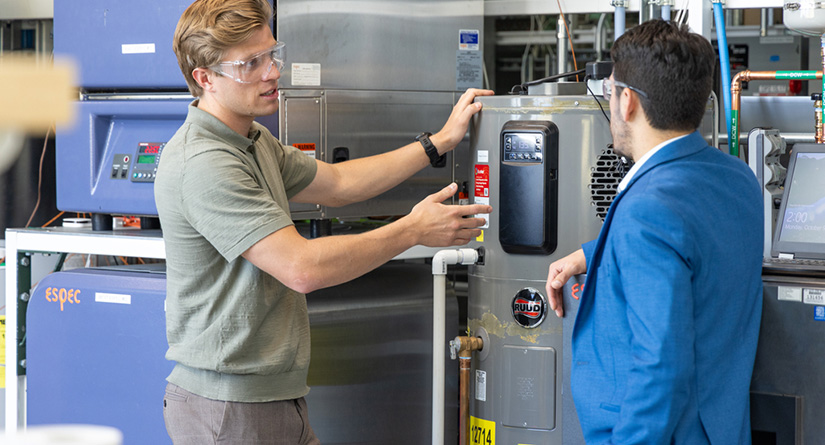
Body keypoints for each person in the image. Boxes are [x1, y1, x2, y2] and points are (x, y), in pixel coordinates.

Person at [155, 0, 493, 443]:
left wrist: (439, 142)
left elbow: (337, 183)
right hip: (230, 407)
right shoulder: (205, 162)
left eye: (272, 54)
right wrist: (413, 229)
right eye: (250, 64)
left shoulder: (253, 141)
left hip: (274, 396)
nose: (272, 71)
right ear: (205, 78)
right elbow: (302, 268)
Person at [545, 20, 763, 444]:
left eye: (609, 90)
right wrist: (595, 253)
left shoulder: (646, 211)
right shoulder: (737, 180)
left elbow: (661, 366)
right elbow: (695, 239)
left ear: (627, 101)